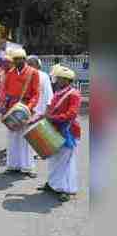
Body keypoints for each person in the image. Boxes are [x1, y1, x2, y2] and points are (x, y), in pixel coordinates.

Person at [37, 66, 82, 202]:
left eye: (59, 78)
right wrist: (43, 117)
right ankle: (53, 184)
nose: (56, 80)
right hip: (55, 129)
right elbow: (51, 110)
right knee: (54, 159)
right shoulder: (58, 92)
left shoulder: (74, 94)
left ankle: (67, 190)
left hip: (68, 131)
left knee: (66, 162)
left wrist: (53, 118)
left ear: (67, 80)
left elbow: (71, 114)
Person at [0, 48, 40, 178]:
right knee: (12, 137)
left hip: (25, 108)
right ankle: (13, 166)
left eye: (19, 59)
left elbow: (36, 93)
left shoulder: (33, 72)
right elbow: (5, 92)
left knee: (25, 138)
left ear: (24, 59)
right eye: (15, 59)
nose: (17, 61)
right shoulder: (10, 73)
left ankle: (28, 167)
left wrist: (29, 107)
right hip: (12, 109)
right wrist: (3, 107)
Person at [27, 55, 54, 159]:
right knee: (30, 131)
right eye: (28, 64)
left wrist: (48, 107)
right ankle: (31, 153)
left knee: (40, 130)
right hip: (30, 107)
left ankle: (40, 152)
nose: (29, 66)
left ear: (38, 65)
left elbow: (48, 93)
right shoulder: (27, 75)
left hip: (41, 106)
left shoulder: (44, 76)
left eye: (31, 64)